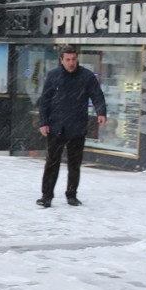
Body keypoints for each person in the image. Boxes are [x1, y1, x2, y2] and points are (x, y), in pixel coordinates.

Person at [36, 45, 106, 208]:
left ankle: (72, 195)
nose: (71, 63)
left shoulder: (87, 76)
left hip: (77, 126)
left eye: (73, 59)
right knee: (52, 163)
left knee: (74, 164)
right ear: (61, 60)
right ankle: (46, 196)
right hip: (56, 126)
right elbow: (44, 101)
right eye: (67, 59)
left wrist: (101, 112)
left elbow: (97, 95)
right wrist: (43, 122)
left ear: (77, 59)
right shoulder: (53, 76)